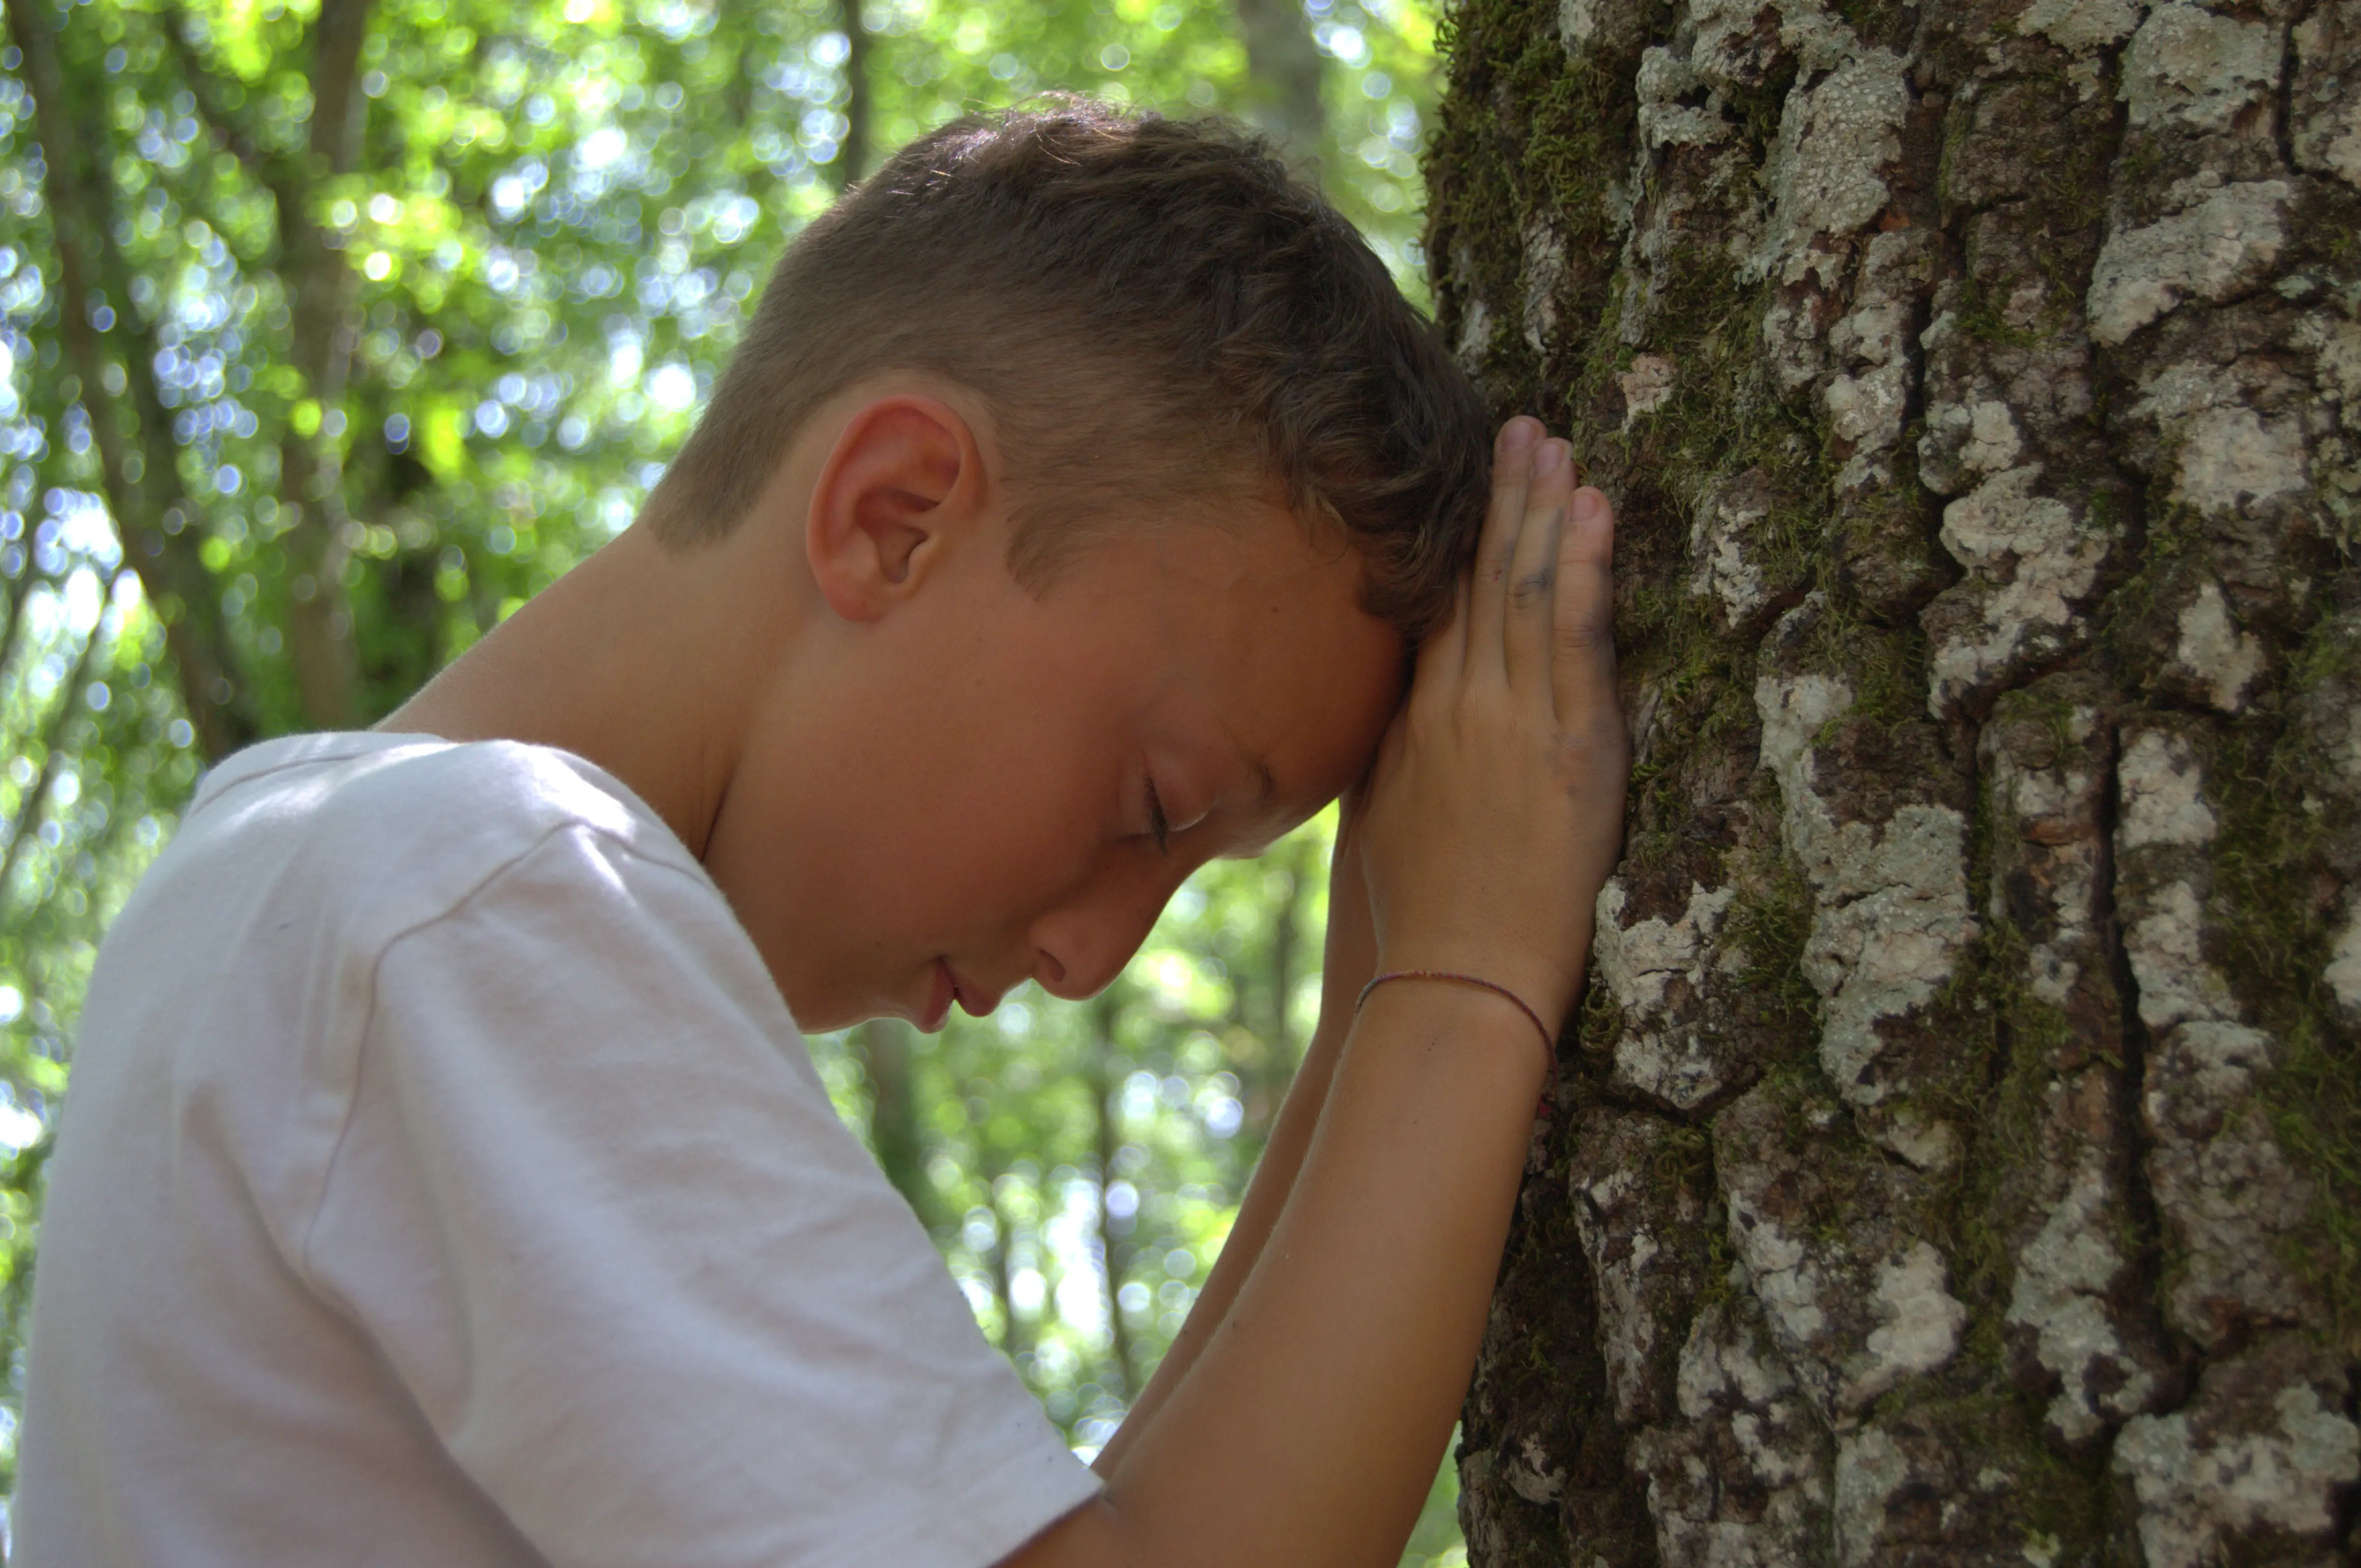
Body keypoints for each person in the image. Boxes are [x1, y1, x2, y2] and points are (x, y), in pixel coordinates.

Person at [11, 99, 1626, 1568]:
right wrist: (1467, 979)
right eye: (1152, 809)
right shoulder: (480, 890)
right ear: (894, 513)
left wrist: (1372, 1008)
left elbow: (1113, 1536)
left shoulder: (299, 880)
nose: (1094, 956)